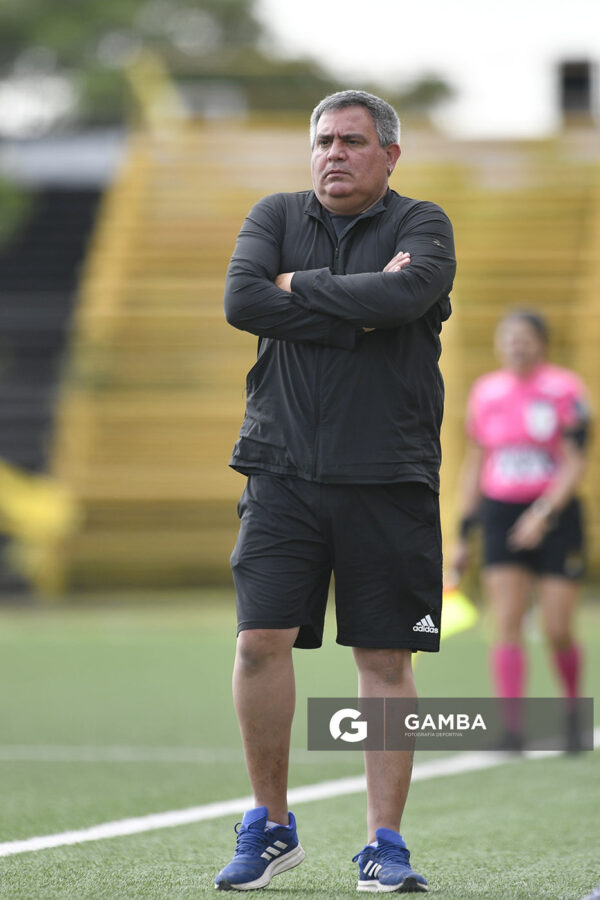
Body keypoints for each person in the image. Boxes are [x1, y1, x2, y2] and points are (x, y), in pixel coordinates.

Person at [216, 89, 456, 893]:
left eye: (352, 141)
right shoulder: (275, 214)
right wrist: (355, 309)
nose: (334, 154)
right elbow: (243, 301)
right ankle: (271, 824)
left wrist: (300, 291)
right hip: (280, 466)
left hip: (387, 474)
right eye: (323, 140)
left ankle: (385, 843)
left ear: (389, 154)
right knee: (258, 642)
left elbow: (405, 297)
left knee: (384, 660)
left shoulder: (424, 225)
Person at [452, 310, 590, 749]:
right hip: (500, 514)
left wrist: (544, 513)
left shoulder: (565, 390)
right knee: (506, 620)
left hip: (556, 516)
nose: (516, 345)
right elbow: (477, 462)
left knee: (556, 626)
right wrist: (461, 533)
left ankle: (571, 713)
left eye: (525, 338)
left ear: (542, 343)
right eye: (508, 338)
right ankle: (512, 727)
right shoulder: (486, 391)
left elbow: (575, 461)